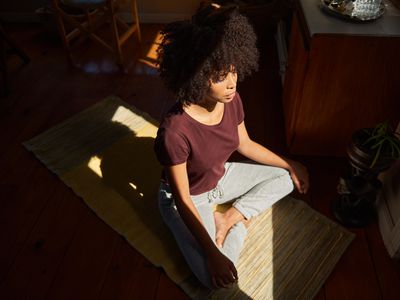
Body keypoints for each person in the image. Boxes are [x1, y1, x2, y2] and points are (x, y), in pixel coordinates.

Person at [154, 2, 309, 290]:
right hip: (189, 198)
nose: (232, 83)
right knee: (215, 278)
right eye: (219, 77)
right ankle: (233, 227)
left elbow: (245, 144)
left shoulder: (231, 100)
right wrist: (213, 255)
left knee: (288, 178)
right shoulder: (174, 131)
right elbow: (184, 200)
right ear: (195, 76)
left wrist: (290, 164)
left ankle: (230, 219)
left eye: (233, 71)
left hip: (220, 177)